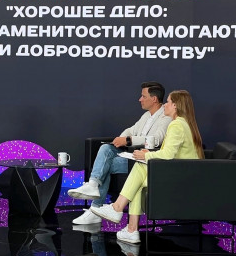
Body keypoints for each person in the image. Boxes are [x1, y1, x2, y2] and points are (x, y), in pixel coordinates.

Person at [91, 90, 204, 244]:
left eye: (168, 102)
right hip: (182, 173)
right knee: (138, 178)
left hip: (180, 177)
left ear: (175, 106)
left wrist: (146, 156)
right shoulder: (183, 123)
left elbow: (168, 154)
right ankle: (130, 229)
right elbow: (170, 153)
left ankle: (119, 210)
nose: (165, 105)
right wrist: (148, 154)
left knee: (140, 166)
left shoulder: (177, 125)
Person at [68, 82, 172, 226]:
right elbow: (131, 129)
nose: (140, 99)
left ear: (154, 99)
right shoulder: (146, 115)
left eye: (143, 96)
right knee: (106, 149)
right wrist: (121, 139)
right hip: (132, 154)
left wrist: (128, 140)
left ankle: (95, 208)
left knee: (106, 165)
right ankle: (93, 184)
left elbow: (156, 139)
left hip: (144, 160)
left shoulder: (165, 117)